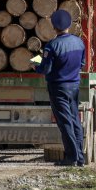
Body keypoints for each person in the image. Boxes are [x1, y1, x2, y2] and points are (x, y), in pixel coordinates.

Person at [34, 9, 86, 166]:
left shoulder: (52, 46)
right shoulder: (79, 43)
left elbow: (46, 69)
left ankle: (71, 157)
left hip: (58, 87)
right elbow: (82, 64)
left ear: (54, 27)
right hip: (74, 85)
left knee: (65, 123)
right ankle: (80, 157)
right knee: (75, 120)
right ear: (69, 25)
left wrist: (35, 64)